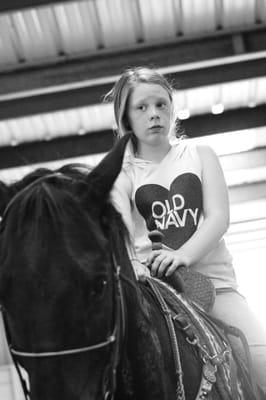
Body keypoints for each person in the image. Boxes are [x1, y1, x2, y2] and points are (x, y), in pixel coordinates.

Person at [105, 67, 266, 393]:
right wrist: (137, 265)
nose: (154, 114)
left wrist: (181, 256)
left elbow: (218, 218)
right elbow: (121, 231)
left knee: (262, 362)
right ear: (126, 119)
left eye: (161, 105)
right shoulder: (121, 175)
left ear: (172, 108)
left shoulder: (200, 154)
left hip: (217, 289)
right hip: (156, 293)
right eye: (142, 108)